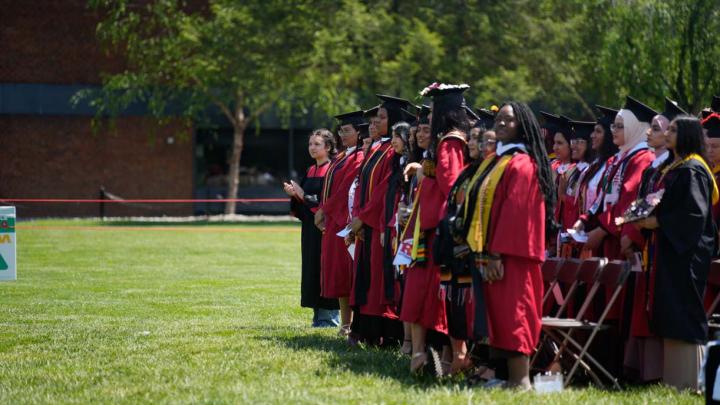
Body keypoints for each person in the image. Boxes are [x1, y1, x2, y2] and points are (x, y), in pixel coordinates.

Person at [466, 101, 555, 389]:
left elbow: (516, 212)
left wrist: (496, 253)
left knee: (515, 314)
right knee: (500, 317)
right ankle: (504, 377)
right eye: (499, 120)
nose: (501, 124)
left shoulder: (522, 164)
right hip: (498, 252)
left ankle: (521, 381)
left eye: (509, 120)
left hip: (514, 256)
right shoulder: (502, 160)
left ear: (523, 126)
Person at [634, 115, 718, 391]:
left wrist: (658, 222)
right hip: (670, 252)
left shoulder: (693, 169)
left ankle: (690, 381)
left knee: (683, 312)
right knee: (669, 312)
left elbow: (693, 215)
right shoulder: (675, 167)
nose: (668, 133)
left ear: (689, 135)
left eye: (673, 129)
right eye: (667, 128)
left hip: (687, 255)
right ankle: (674, 381)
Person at [400, 83, 467, 374]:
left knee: (443, 296)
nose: (428, 119)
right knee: (417, 291)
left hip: (438, 229)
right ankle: (418, 352)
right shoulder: (442, 143)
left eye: (433, 112)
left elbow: (451, 185)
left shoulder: (451, 143)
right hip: (425, 228)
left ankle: (453, 358)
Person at [622, 98, 686, 383]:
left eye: (659, 129)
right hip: (645, 243)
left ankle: (657, 374)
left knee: (654, 308)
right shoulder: (655, 168)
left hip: (660, 244)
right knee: (642, 308)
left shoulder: (677, 169)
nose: (650, 132)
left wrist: (635, 233)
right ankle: (639, 370)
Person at [349, 94, 410, 346]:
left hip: (378, 223)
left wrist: (363, 218)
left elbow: (384, 190)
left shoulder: (390, 153)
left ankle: (380, 333)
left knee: (378, 279)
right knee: (365, 276)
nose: (376, 122)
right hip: (368, 224)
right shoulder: (378, 149)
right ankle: (362, 329)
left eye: (383, 118)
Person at [315, 111, 366, 337]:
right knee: (339, 275)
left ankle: (351, 323)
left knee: (348, 275)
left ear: (359, 132)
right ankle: (346, 323)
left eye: (347, 131)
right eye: (341, 131)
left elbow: (345, 188)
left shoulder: (360, 157)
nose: (342, 134)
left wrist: (324, 211)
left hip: (345, 221)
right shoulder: (344, 155)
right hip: (334, 221)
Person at [284, 129, 340, 327]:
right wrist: (295, 194)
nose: (312, 148)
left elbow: (328, 202)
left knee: (326, 269)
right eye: (310, 144)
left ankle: (331, 317)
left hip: (325, 228)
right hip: (310, 230)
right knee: (312, 269)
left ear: (328, 147)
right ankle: (318, 316)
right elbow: (307, 203)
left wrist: (302, 194)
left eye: (317, 144)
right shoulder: (310, 170)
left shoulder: (333, 169)